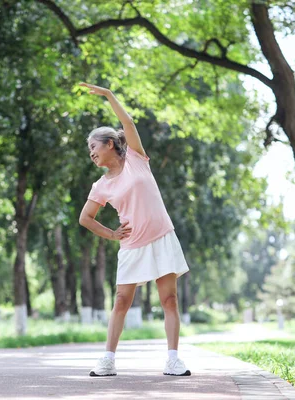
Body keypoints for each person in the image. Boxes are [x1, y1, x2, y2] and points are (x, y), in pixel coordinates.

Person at [78, 82, 191, 377]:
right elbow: (85, 218)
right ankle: (108, 360)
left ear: (110, 144)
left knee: (169, 299)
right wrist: (112, 234)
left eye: (93, 146)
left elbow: (127, 122)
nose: (90, 153)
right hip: (132, 246)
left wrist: (108, 95)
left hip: (162, 238)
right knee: (121, 301)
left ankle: (173, 359)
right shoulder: (100, 185)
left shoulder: (136, 161)